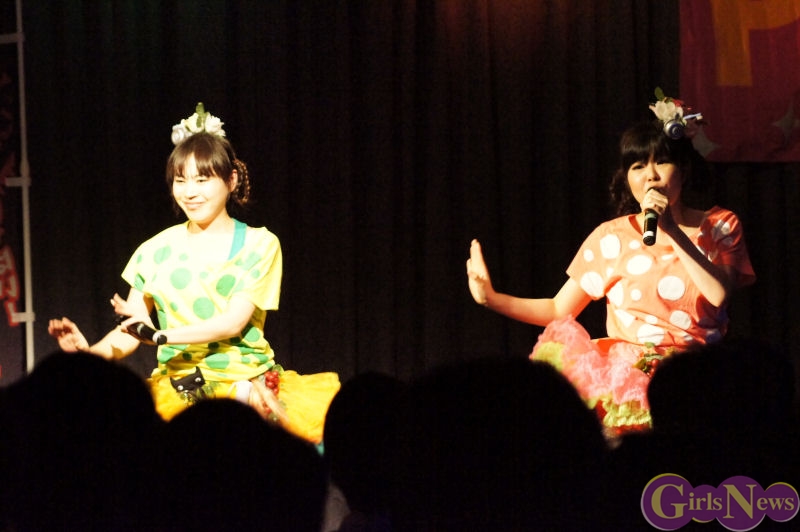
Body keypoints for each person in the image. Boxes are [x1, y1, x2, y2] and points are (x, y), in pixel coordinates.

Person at [48, 103, 340, 444]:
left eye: (202, 179)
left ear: (231, 180)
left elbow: (231, 323)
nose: (189, 191)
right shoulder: (153, 250)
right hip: (179, 388)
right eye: (180, 180)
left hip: (248, 387)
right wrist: (87, 355)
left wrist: (159, 336)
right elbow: (132, 331)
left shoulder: (259, 244)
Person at [466, 93, 756, 434]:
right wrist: (492, 298)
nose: (650, 176)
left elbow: (719, 294)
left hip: (698, 375)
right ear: (627, 178)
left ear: (684, 169)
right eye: (638, 166)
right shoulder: (611, 237)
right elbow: (559, 309)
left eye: (662, 162)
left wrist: (672, 231)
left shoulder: (721, 225)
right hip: (628, 378)